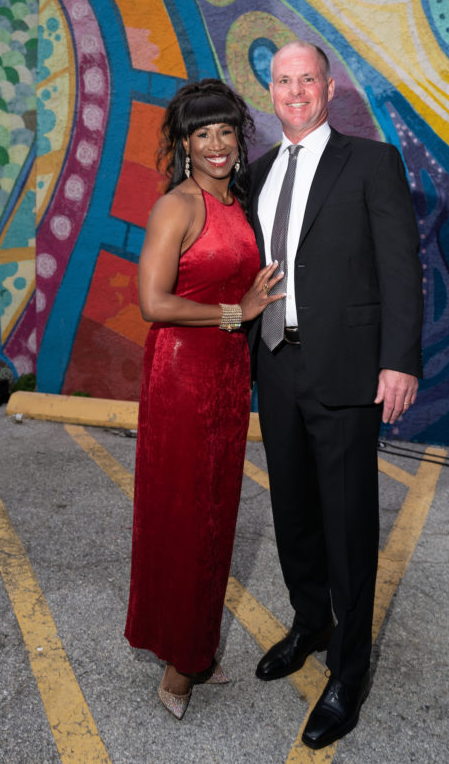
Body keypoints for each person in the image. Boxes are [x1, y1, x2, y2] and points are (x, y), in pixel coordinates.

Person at [249, 41, 423, 750]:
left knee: (348, 526)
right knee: (291, 512)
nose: (295, 91)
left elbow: (402, 269)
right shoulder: (257, 172)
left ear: (328, 87)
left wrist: (400, 362)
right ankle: (310, 622)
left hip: (349, 372)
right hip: (276, 368)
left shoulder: (372, 163)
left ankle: (349, 674)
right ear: (272, 91)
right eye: (283, 81)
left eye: (306, 79)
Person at [124, 79, 283, 721]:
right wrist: (234, 311)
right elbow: (152, 303)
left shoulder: (240, 202)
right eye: (202, 134)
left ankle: (198, 645)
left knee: (217, 518)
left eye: (225, 132)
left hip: (226, 378)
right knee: (185, 520)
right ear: (185, 145)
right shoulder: (179, 207)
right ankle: (177, 662)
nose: (216, 145)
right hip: (183, 376)